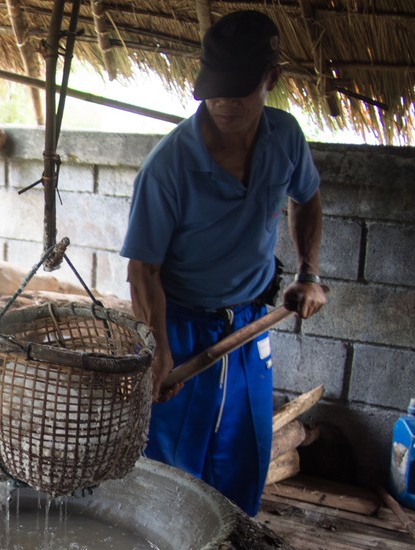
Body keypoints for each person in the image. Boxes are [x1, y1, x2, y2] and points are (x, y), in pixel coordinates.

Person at [121, 9, 326, 516]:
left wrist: (308, 274)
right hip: (181, 324)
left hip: (251, 323)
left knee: (244, 453)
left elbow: (307, 197)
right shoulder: (168, 166)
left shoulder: (285, 137)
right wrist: (159, 348)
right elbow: (143, 269)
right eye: (216, 91)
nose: (225, 103)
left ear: (271, 79)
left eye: (239, 90)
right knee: (170, 464)